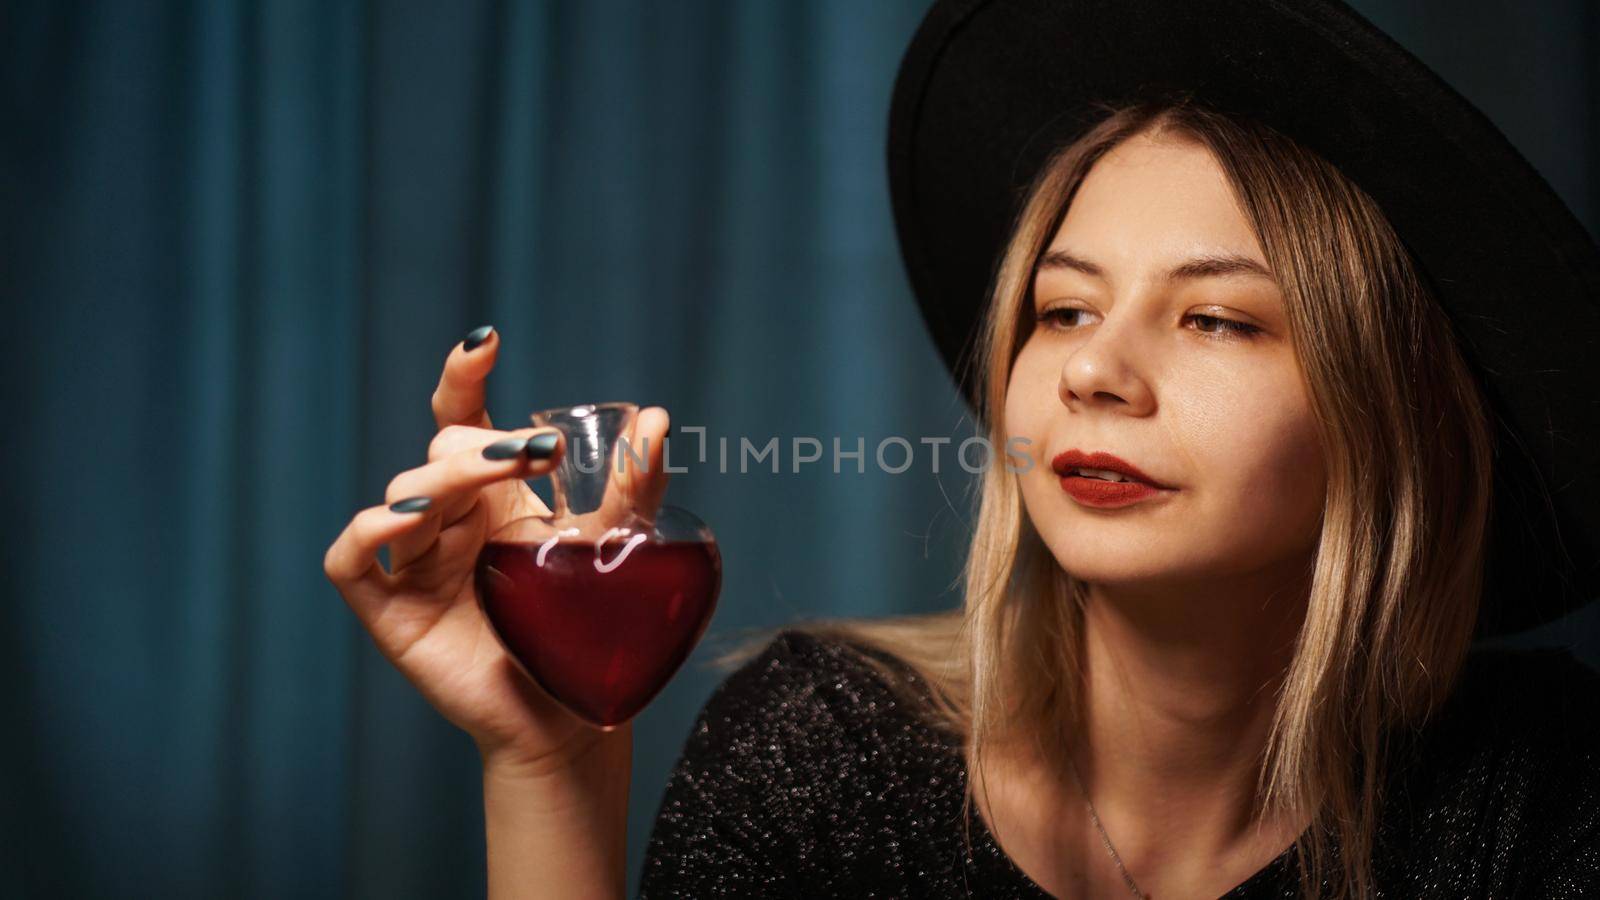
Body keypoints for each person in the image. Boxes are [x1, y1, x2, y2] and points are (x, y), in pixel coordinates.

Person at [322, 0, 1600, 897]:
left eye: (1214, 317)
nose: (1092, 371)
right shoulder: (821, 762)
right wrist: (547, 766)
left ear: (1396, 414)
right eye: (1061, 309)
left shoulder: (1544, 795)